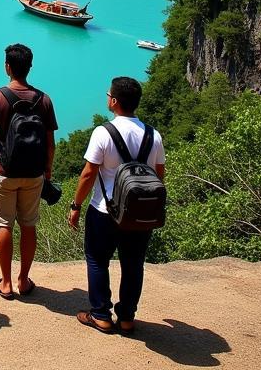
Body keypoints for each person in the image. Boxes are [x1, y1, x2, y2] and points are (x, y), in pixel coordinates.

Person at [68, 76, 166, 334]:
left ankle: (100, 315)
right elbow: (159, 175)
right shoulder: (153, 136)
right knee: (133, 264)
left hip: (104, 210)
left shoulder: (103, 133)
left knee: (98, 260)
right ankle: (126, 318)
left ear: (114, 101)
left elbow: (88, 173)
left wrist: (75, 205)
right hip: (139, 213)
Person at [0, 43, 57, 300]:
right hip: (34, 173)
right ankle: (24, 280)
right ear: (29, 67)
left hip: (4, 171)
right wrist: (48, 170)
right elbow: (50, 141)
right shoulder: (44, 99)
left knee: (4, 225)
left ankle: (6, 283)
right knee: (28, 225)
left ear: (8, 67)